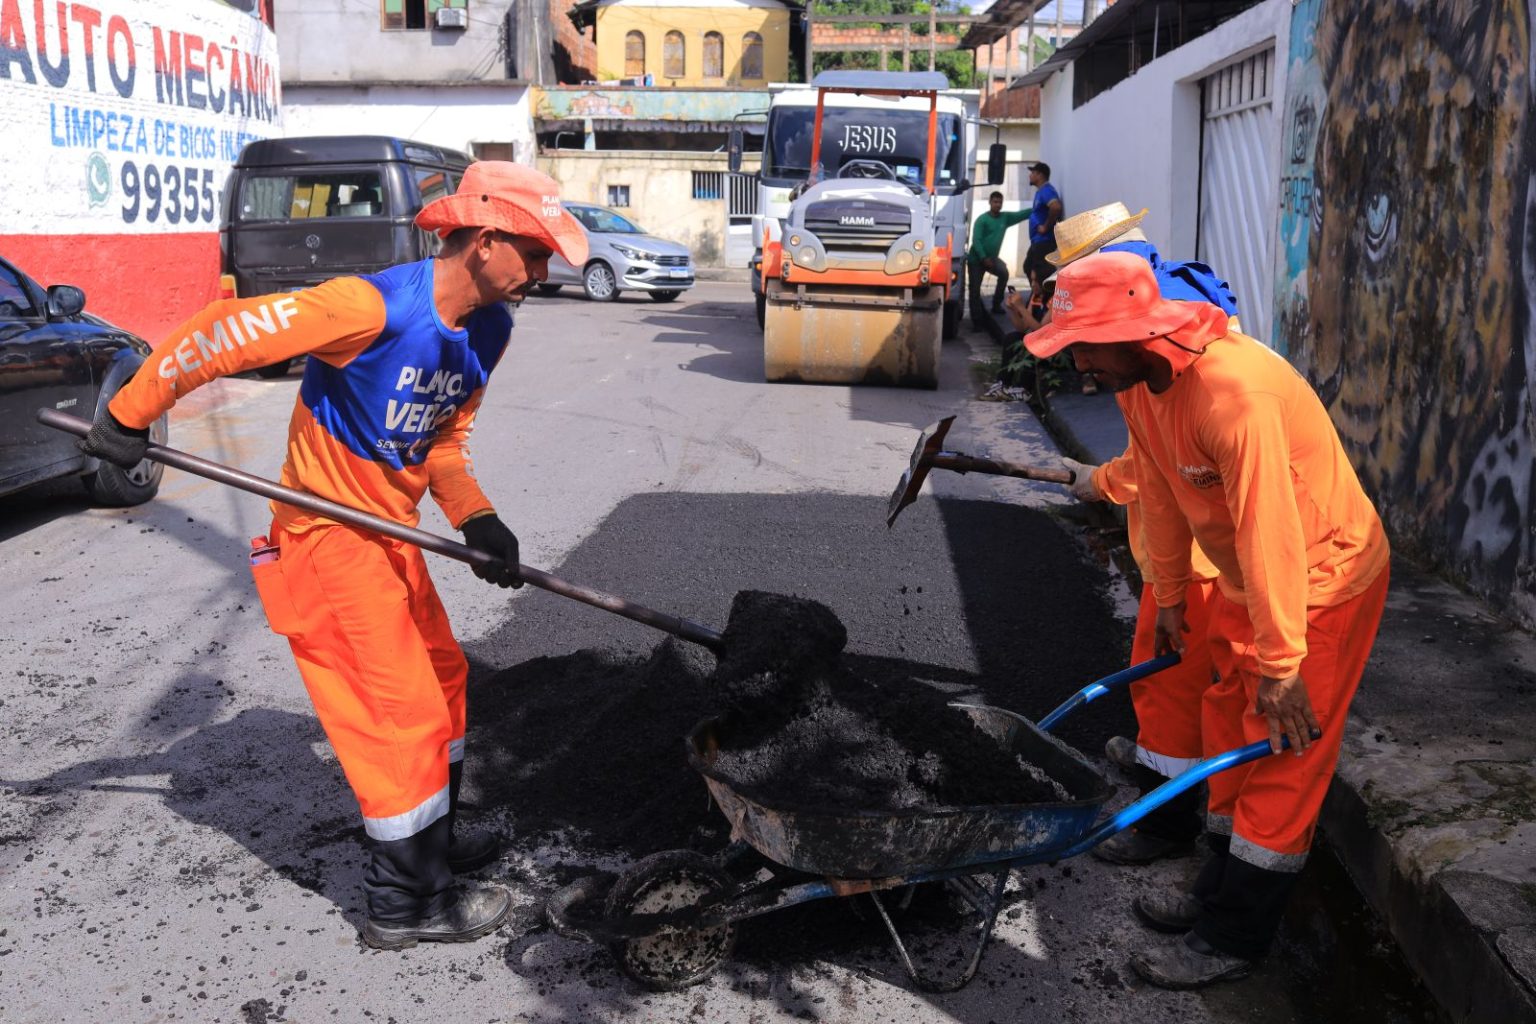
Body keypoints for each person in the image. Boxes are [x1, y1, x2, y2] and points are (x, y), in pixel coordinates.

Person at [76, 162, 588, 951]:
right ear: (484, 242)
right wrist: (128, 409)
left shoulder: (490, 329)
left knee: (445, 677)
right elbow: (221, 333)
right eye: (536, 252)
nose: (545, 272)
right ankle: (406, 904)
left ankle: (433, 839)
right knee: (401, 717)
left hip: (391, 535)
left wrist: (477, 517)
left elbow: (444, 441)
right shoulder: (368, 306)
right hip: (326, 539)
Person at [1024, 251, 1389, 989]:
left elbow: (1270, 529)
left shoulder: (1233, 395)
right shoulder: (1140, 388)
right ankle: (1218, 881)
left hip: (1318, 581)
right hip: (1242, 578)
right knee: (1227, 716)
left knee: (1281, 756)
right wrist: (1167, 598)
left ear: (1134, 329)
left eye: (1084, 347)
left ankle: (1233, 935)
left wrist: (1284, 665)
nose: (1078, 367)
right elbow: (1159, 495)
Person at [1008, 202, 1238, 861]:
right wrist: (1102, 480)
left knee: (1172, 684)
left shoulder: (1170, 342)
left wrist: (1103, 483)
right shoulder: (1161, 317)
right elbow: (1154, 460)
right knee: (1166, 677)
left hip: (1204, 555)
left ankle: (1165, 822)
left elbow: (1171, 462)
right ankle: (1161, 771)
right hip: (1184, 551)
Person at [968, 191, 1030, 317]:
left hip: (992, 259)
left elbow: (1022, 214)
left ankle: (996, 305)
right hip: (976, 260)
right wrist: (983, 257)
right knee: (974, 291)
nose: (997, 204)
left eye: (1000, 202)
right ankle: (977, 322)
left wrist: (1039, 207)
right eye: (995, 202)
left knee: (1004, 273)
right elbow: (976, 240)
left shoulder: (1005, 218)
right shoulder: (982, 220)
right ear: (990, 202)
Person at [1020, 162, 1063, 296]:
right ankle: (1036, 298)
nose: (1030, 175)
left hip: (1044, 241)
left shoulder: (1047, 190)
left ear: (1040, 175)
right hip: (1037, 241)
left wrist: (1045, 226)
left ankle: (1043, 303)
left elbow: (1056, 207)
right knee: (1029, 267)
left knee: (1041, 273)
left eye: (1033, 173)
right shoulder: (1040, 192)